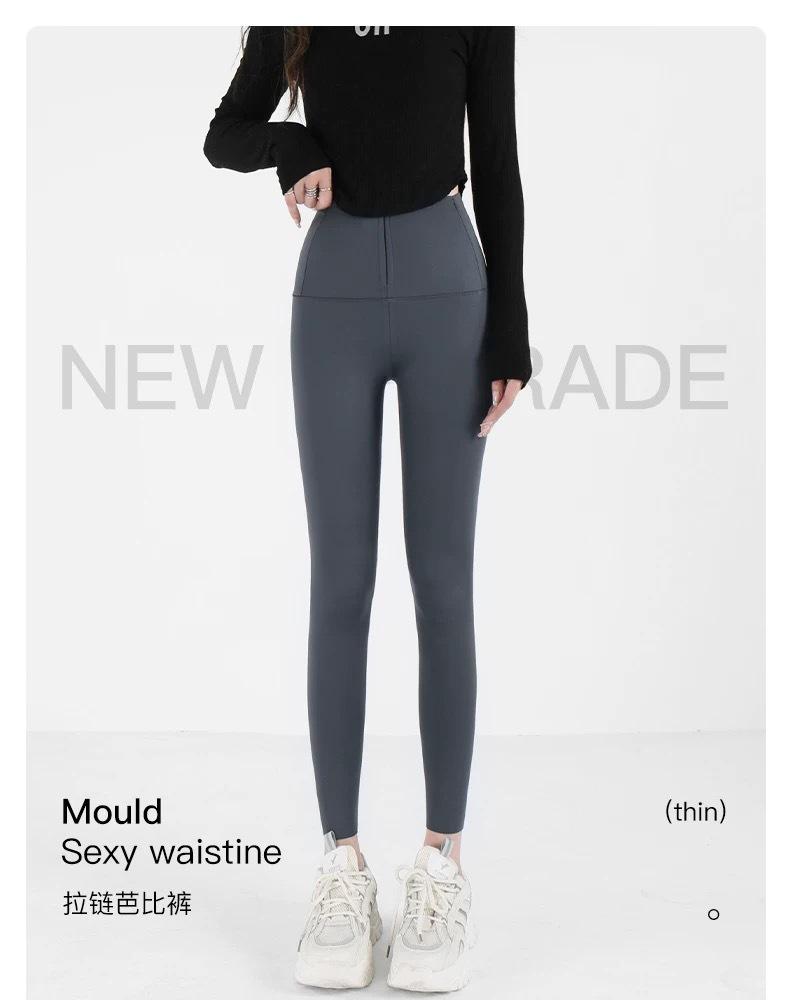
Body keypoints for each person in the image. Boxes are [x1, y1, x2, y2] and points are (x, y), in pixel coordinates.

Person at [204, 26, 531, 992]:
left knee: (443, 583)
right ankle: (341, 866)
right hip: (335, 297)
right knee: (341, 582)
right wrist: (293, 144)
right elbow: (226, 133)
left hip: (451, 293)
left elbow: (498, 161)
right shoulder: (299, 13)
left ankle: (441, 865)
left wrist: (511, 328)